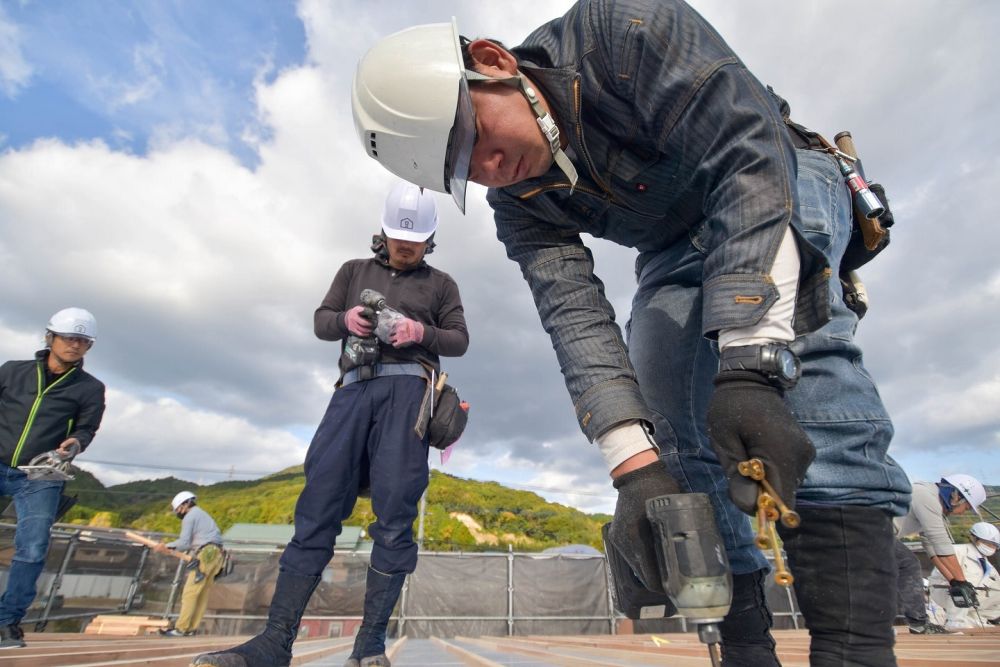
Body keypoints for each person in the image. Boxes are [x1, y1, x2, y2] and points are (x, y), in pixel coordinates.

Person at [351, 2, 912, 665]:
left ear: (493, 63)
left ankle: (854, 648)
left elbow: (746, 155)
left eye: (471, 136)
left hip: (774, 172)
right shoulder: (518, 203)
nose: (487, 165)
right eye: (463, 169)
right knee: (669, 397)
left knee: (808, 372)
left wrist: (751, 361)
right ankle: (743, 646)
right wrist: (635, 470)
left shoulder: (625, 28)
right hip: (671, 243)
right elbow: (574, 316)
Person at [193, 181, 469, 667]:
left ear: (431, 239)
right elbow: (321, 321)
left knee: (396, 512)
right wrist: (346, 322)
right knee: (318, 504)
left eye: (417, 241)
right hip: (352, 389)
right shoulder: (352, 270)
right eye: (399, 237)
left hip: (409, 394)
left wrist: (418, 331)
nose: (406, 246)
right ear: (383, 230)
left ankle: (369, 647)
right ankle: (275, 641)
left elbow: (459, 339)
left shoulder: (441, 284)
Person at [0, 308, 106, 649]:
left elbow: (87, 428)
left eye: (83, 341)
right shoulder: (12, 372)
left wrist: (75, 444)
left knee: (31, 548)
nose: (75, 345)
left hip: (41, 474)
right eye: (69, 338)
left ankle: (7, 622)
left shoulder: (90, 389)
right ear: (50, 337)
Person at [894, 474, 987, 634]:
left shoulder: (930, 501)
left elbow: (931, 547)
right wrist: (962, 581)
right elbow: (940, 543)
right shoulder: (926, 496)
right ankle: (919, 623)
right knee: (908, 564)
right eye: (967, 507)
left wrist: (953, 581)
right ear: (957, 496)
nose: (964, 512)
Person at [154, 491, 225, 637]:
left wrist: (166, 546)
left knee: (190, 592)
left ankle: (181, 628)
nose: (178, 513)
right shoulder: (201, 514)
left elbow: (184, 543)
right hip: (216, 554)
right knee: (202, 593)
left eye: (179, 509)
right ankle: (191, 628)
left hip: (206, 554)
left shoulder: (190, 516)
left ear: (186, 504)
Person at [927, 522, 1000, 629]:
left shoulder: (987, 565)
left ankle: (973, 620)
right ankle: (954, 621)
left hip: (972, 598)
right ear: (974, 539)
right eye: (987, 543)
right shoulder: (957, 550)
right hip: (945, 590)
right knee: (963, 585)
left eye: (994, 545)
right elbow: (941, 566)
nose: (991, 547)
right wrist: (955, 581)